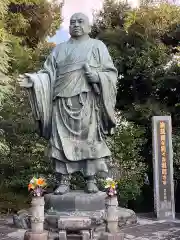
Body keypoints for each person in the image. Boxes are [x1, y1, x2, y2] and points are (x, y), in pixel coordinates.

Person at [18, 12, 117, 195]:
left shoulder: (98, 46)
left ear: (88, 26)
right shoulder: (59, 49)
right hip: (62, 101)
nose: (76, 24)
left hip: (87, 101)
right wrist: (34, 81)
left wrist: (97, 77)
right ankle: (63, 180)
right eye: (72, 22)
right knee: (61, 142)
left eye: (81, 21)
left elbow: (110, 73)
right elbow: (47, 73)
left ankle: (90, 180)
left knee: (90, 139)